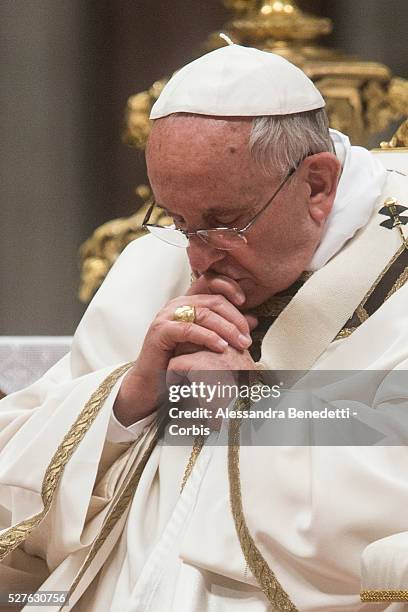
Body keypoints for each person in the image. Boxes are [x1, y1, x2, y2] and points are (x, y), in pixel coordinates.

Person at [1, 43, 408, 611]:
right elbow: (15, 467)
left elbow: (393, 472)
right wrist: (128, 398)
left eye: (225, 223)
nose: (197, 258)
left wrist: (250, 410)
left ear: (316, 185)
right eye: (176, 220)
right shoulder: (156, 261)